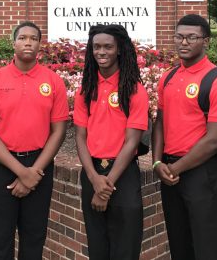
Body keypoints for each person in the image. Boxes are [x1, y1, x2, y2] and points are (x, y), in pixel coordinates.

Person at [0, 21, 69, 260]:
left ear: (40, 44)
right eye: (23, 38)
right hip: (0, 167)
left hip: (39, 166)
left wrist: (33, 172)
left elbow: (58, 131)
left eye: (33, 38)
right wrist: (21, 172)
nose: (28, 42)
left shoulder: (54, 82)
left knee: (34, 238)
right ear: (14, 42)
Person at [152, 14, 217, 260]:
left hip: (201, 171)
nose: (184, 42)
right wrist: (158, 162)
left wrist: (175, 168)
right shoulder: (168, 76)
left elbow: (215, 139)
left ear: (205, 41)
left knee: (206, 244)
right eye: (179, 36)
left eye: (192, 37)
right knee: (179, 242)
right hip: (169, 168)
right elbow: (160, 122)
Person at [73, 24, 149, 260]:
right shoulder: (86, 88)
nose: (101, 52)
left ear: (119, 50)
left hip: (123, 173)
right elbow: (80, 136)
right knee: (97, 244)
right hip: (92, 171)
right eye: (96, 47)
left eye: (108, 46)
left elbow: (132, 142)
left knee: (125, 245)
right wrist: (94, 179)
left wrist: (104, 189)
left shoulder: (134, 89)